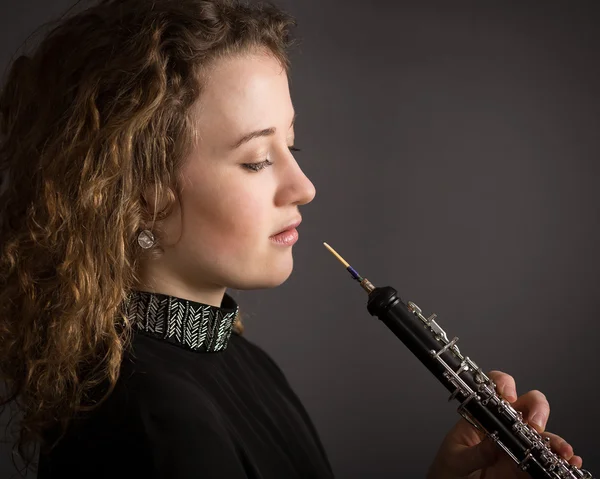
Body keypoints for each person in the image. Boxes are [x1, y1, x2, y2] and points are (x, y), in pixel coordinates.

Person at [0, 0, 584, 478]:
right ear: (138, 191)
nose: (303, 186)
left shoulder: (237, 359)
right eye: (257, 160)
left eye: (292, 147)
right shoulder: (157, 423)